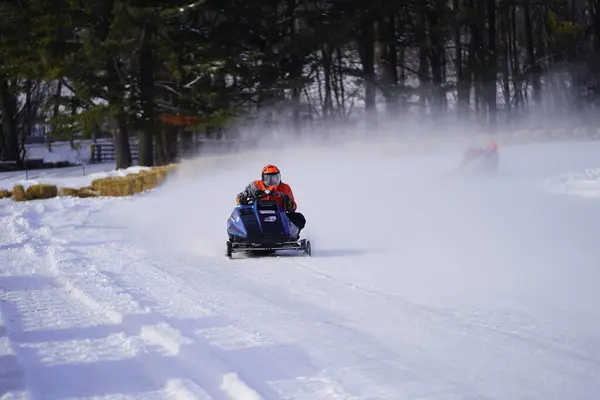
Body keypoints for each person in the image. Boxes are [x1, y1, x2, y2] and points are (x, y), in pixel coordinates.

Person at [236, 164, 306, 239]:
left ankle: (291, 236)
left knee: (299, 218)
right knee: (240, 214)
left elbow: (293, 208)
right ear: (263, 178)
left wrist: (287, 200)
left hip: (279, 214)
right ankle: (243, 235)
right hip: (256, 214)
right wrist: (246, 199)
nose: (272, 181)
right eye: (268, 178)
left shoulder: (285, 188)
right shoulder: (255, 186)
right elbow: (239, 198)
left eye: (275, 178)